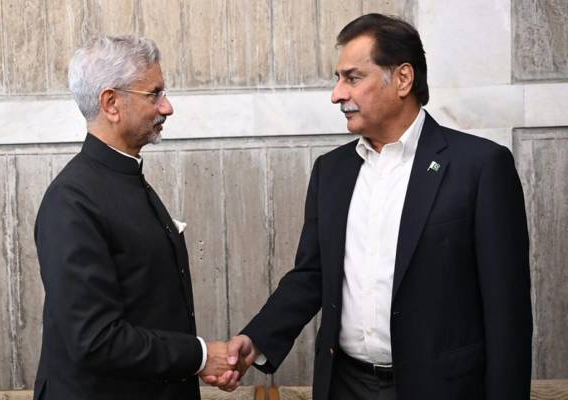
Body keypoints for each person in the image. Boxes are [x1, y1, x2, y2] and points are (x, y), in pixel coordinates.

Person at [220, 13, 533, 400]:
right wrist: (257, 339)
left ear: (403, 79)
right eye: (338, 79)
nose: (337, 94)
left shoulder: (480, 167)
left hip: (441, 389)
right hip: (345, 386)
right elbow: (312, 274)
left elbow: (507, 313)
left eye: (352, 78)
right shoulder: (331, 171)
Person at [33, 35, 237, 400]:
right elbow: (96, 339)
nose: (167, 107)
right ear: (111, 103)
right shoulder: (71, 201)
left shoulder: (125, 177)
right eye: (154, 94)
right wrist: (201, 356)